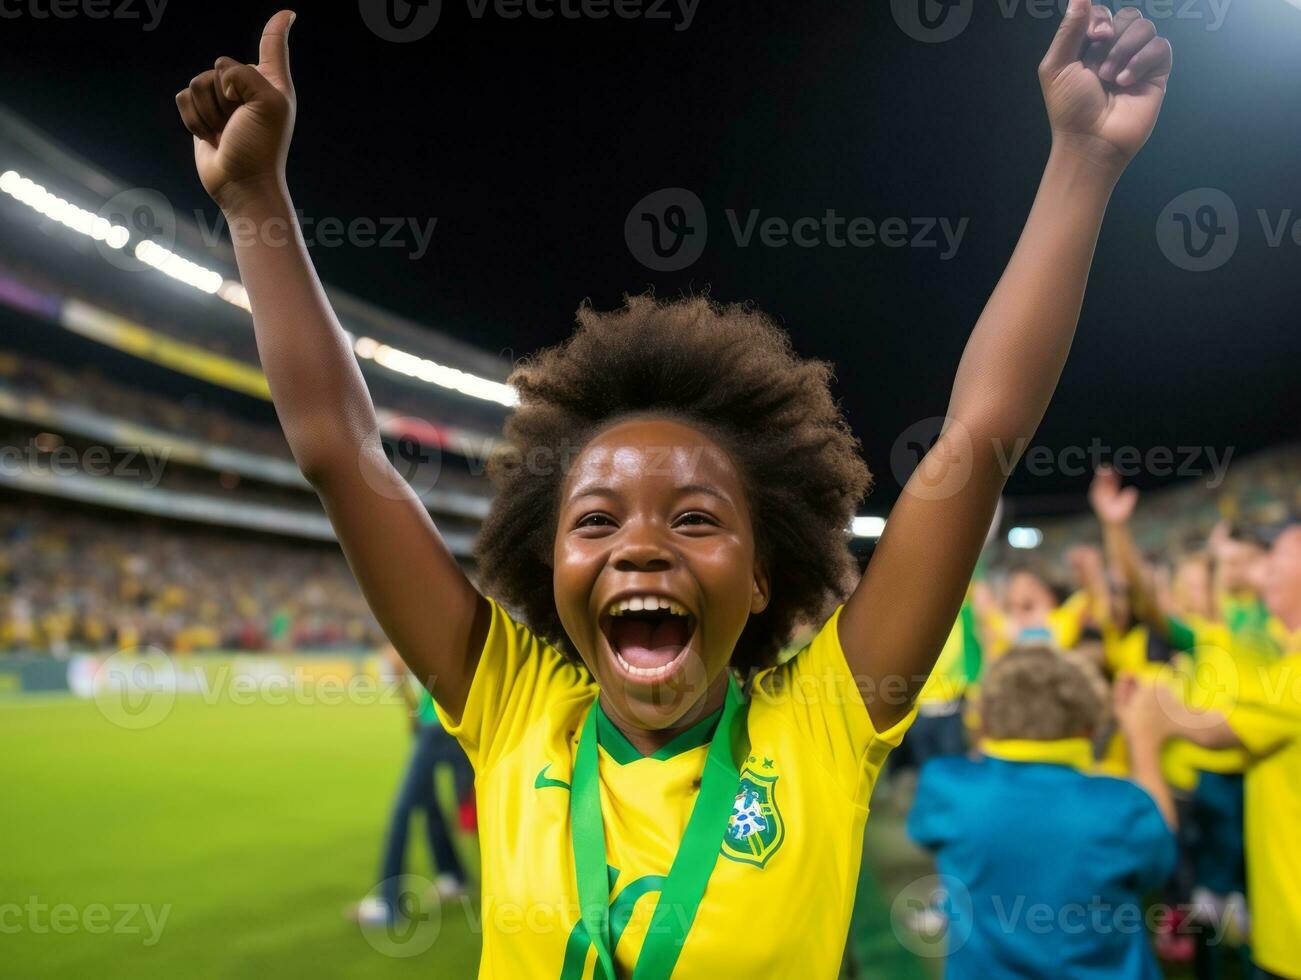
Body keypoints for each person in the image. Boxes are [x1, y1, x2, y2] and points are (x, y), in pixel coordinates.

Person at [172, 2, 1173, 974]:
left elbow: (979, 436)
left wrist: (1082, 163)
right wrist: (257, 201)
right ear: (548, 559)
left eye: (693, 517)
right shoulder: (514, 705)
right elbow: (345, 455)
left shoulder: (823, 720)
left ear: (756, 576)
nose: (638, 545)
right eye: (595, 518)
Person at [908, 645, 1176, 979]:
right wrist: (1144, 740)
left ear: (986, 720)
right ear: (1091, 727)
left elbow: (929, 827)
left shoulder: (948, 787)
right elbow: (1160, 856)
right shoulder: (1122, 807)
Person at [1115, 525, 1301, 980]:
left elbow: (1210, 727)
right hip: (1210, 790)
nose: (1263, 571)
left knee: (1206, 892)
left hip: (1291, 942)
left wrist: (1149, 721)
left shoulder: (1274, 662)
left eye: (1274, 557)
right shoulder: (1275, 659)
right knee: (1207, 895)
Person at [354, 646, 473, 926]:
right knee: (432, 804)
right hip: (464, 723)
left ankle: (389, 904)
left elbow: (393, 664)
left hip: (436, 727)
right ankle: (454, 876)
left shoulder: (426, 609)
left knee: (403, 810)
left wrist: (411, 709)